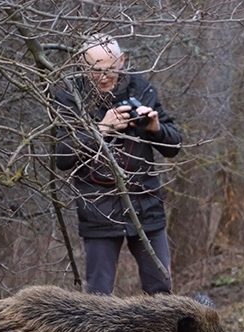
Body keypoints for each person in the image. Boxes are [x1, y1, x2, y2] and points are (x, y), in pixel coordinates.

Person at [54, 35, 182, 295]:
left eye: (111, 69)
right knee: (98, 298)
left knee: (161, 290)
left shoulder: (141, 89)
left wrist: (156, 128)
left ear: (122, 61)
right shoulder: (70, 97)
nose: (104, 76)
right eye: (95, 70)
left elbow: (174, 146)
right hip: (98, 209)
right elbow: (63, 157)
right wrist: (102, 129)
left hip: (146, 205)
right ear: (81, 65)